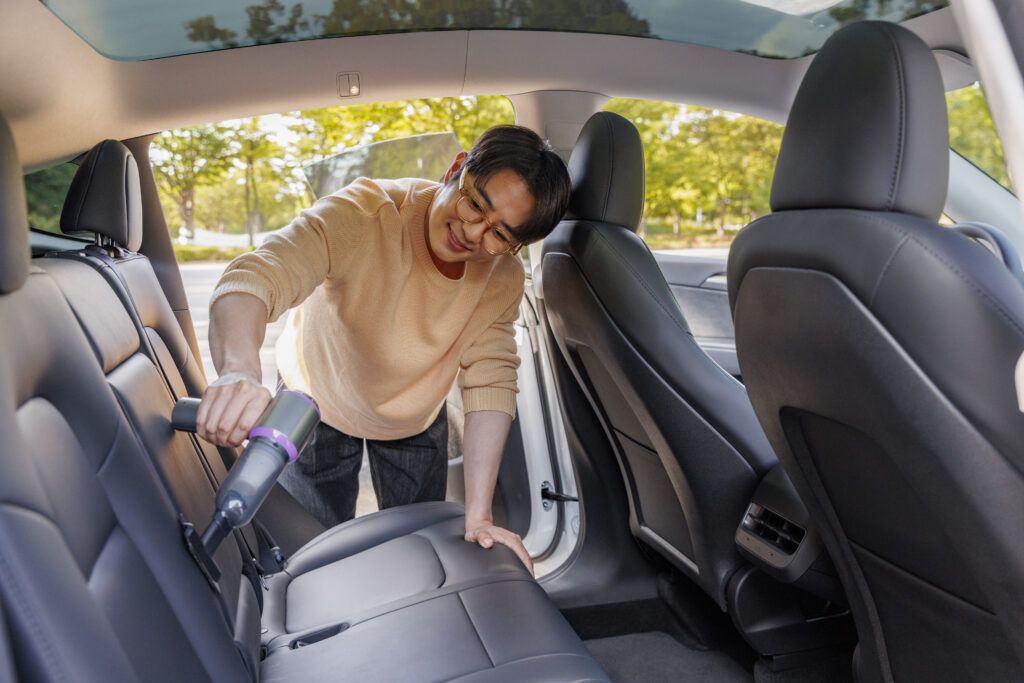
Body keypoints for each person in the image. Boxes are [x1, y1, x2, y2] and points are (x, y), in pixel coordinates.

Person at [196, 125, 571, 573]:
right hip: (317, 399)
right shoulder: (363, 213)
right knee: (314, 555)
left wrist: (479, 517)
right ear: (456, 168)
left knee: (417, 554)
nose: (474, 233)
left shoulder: (502, 277)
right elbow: (257, 276)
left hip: (415, 414)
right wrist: (239, 370)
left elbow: (491, 380)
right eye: (475, 204)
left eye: (500, 235)